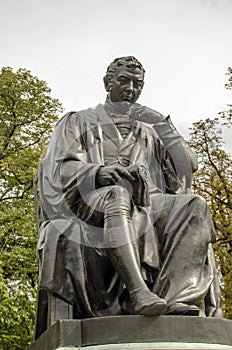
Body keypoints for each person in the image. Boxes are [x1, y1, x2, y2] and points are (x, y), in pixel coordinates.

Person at [36, 56, 221, 332]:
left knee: (193, 205)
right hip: (90, 203)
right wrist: (97, 173)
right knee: (116, 195)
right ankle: (137, 292)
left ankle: (173, 300)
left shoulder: (150, 132)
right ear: (107, 82)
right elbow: (57, 170)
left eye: (137, 84)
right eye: (123, 81)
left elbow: (187, 166)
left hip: (147, 205)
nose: (130, 89)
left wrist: (162, 124)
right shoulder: (78, 121)